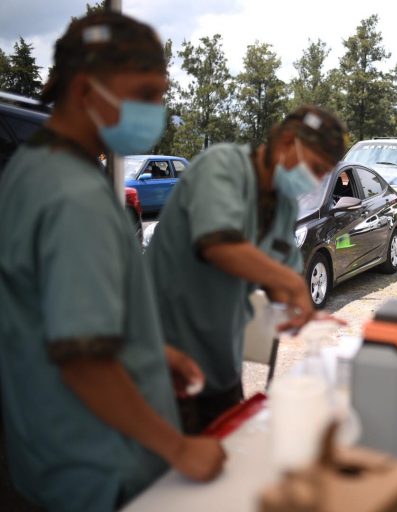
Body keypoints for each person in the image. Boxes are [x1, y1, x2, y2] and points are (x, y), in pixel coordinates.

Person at [0, 13, 225, 511]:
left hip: (44, 460)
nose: (158, 109)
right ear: (84, 90)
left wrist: (148, 351)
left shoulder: (28, 171)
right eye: (145, 94)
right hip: (104, 475)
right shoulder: (75, 198)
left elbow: (53, 314)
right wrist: (178, 448)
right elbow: (85, 364)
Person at [147, 105, 348, 433]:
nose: (314, 179)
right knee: (168, 477)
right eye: (313, 167)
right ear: (286, 141)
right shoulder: (222, 166)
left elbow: (280, 278)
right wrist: (289, 283)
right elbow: (220, 246)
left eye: (323, 173)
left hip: (221, 363)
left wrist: (301, 314)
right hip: (165, 359)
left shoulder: (283, 206)